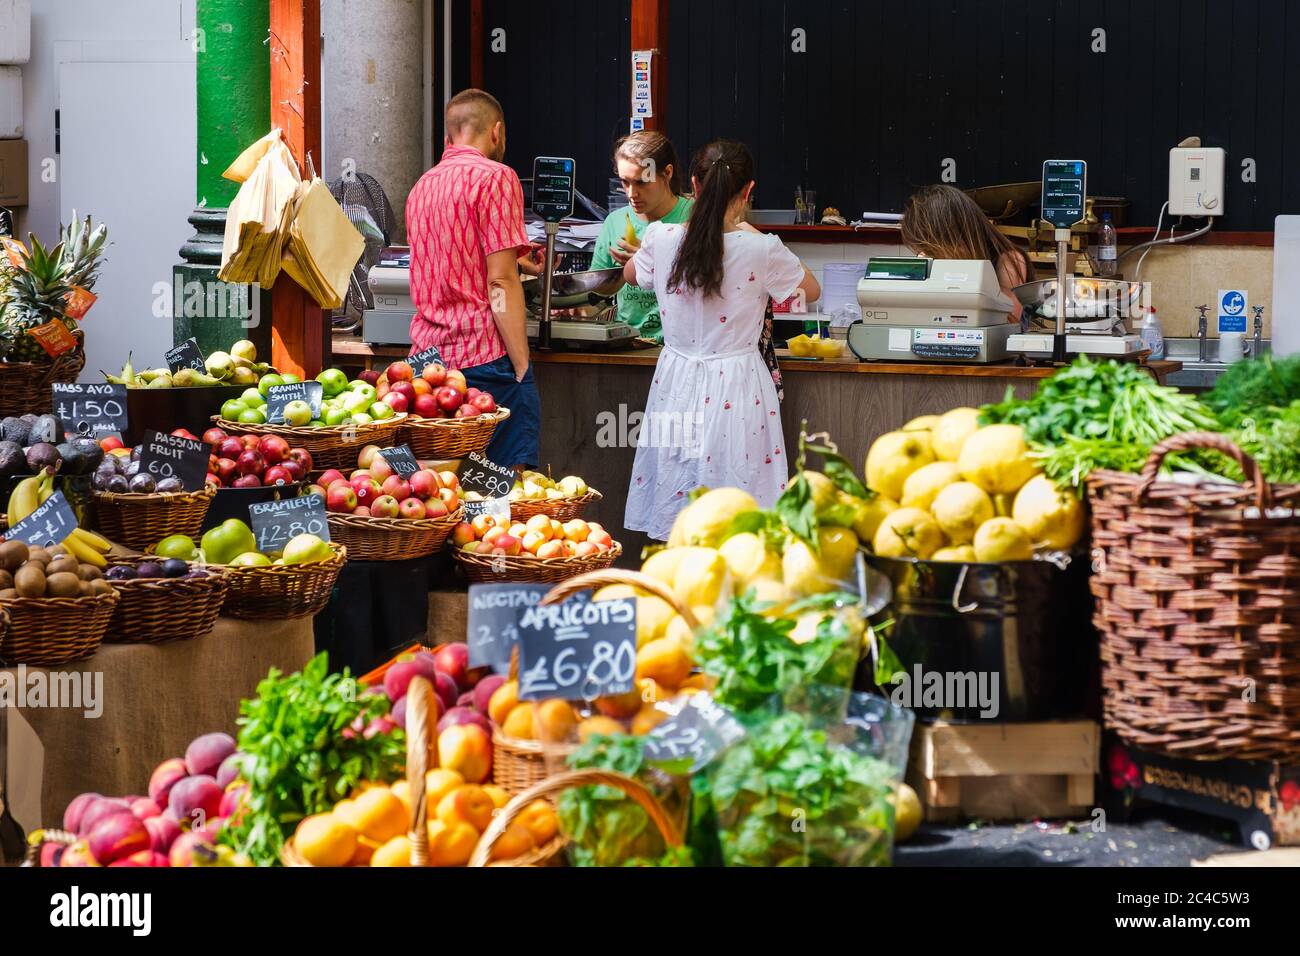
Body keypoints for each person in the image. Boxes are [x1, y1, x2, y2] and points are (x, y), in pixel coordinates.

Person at [623, 140, 820, 541]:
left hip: (676, 381)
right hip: (738, 384)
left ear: (693, 186)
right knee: (740, 507)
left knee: (677, 504)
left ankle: (676, 591)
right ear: (748, 192)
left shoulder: (661, 238)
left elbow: (630, 274)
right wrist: (750, 230)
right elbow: (810, 290)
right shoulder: (761, 249)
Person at [405, 88, 540, 468]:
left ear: (448, 138)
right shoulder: (497, 178)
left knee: (443, 489)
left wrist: (521, 260)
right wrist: (522, 363)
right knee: (499, 493)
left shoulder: (421, 187)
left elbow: (453, 252)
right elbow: (500, 283)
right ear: (496, 132)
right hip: (483, 359)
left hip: (426, 365)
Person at [589, 131, 693, 341]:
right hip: (627, 345)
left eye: (641, 183)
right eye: (625, 182)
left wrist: (651, 261)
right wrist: (572, 306)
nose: (631, 193)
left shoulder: (694, 217)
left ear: (667, 173)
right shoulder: (615, 222)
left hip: (681, 348)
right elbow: (597, 295)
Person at [899, 184, 1034, 323]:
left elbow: (1010, 318)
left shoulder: (1009, 258)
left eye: (931, 246)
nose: (928, 253)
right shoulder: (934, 259)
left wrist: (957, 269)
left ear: (955, 235)